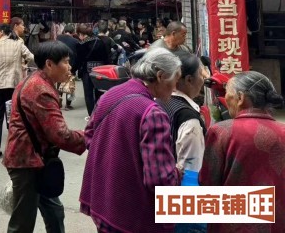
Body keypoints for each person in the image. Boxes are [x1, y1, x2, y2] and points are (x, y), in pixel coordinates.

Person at [80, 48, 183, 233]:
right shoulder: (153, 113)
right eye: (175, 80)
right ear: (160, 76)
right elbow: (159, 180)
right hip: (131, 215)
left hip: (103, 202)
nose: (175, 88)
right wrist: (176, 173)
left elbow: (89, 137)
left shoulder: (110, 94)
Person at [3, 41, 85, 233]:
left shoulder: (35, 81)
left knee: (54, 212)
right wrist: (89, 136)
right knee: (22, 223)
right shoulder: (41, 90)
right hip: (27, 163)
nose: (70, 67)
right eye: (65, 62)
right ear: (49, 64)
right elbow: (60, 135)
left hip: (37, 160)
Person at [198, 71, 285, 233]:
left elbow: (208, 183)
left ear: (240, 98)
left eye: (227, 93)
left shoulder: (222, 132)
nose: (225, 98)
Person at [0, 23, 33, 159]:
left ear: (2, 32)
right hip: (13, 84)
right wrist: (23, 65)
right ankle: (13, 146)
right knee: (13, 115)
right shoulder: (18, 44)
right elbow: (31, 57)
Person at [159, 53, 206, 173]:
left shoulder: (158, 101)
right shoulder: (189, 120)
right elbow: (191, 169)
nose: (203, 79)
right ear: (189, 79)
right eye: (201, 74)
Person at [75, 22, 114, 117]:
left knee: (88, 94)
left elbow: (79, 61)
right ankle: (100, 113)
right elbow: (106, 57)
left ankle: (91, 116)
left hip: (87, 72)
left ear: (81, 34)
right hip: (100, 70)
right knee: (99, 92)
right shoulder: (100, 42)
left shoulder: (81, 45)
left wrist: (73, 70)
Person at [56, 24, 79, 110]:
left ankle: (58, 101)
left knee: (59, 83)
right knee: (70, 84)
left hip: (59, 64)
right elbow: (76, 55)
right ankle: (68, 105)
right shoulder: (75, 41)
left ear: (64, 31)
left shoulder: (58, 38)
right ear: (73, 32)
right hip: (70, 65)